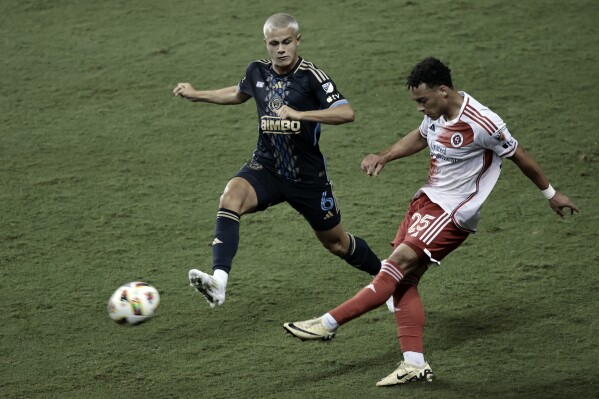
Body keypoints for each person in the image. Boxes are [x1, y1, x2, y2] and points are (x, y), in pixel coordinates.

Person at [283, 57, 579, 386]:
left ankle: (328, 323)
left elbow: (519, 155)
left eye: (423, 100)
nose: (420, 108)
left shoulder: (483, 122)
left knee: (392, 269)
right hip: (426, 201)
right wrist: (385, 155)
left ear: (443, 91)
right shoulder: (436, 114)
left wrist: (551, 193)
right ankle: (413, 364)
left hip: (452, 212)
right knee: (403, 282)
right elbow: (422, 136)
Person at [172, 13, 381, 308]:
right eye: (274, 43)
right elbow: (237, 92)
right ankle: (219, 281)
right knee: (230, 197)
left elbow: (347, 113)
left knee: (337, 244)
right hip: (267, 167)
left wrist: (301, 114)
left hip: (306, 177)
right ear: (266, 44)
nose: (281, 49)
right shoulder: (257, 71)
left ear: (297, 41)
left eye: (286, 42)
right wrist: (197, 95)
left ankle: (387, 277)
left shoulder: (312, 77)